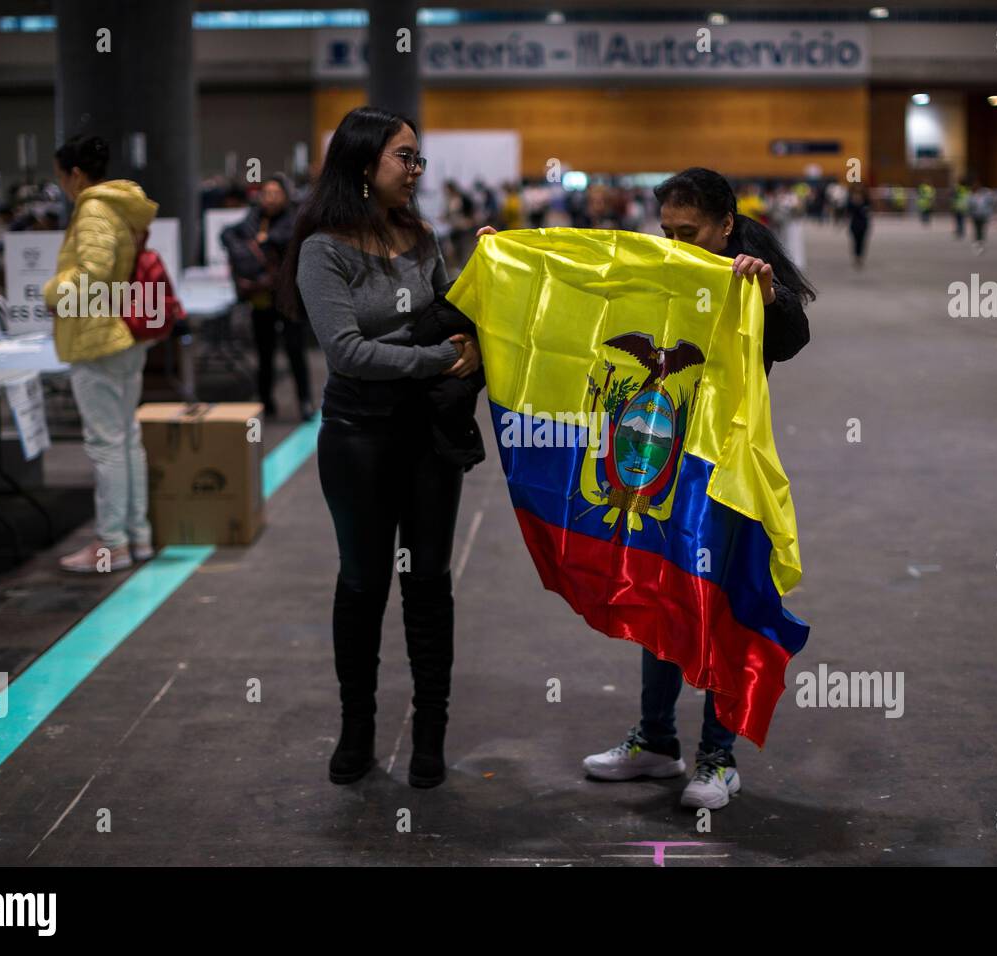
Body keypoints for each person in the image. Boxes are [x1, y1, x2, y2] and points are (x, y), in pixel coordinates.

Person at [481, 167, 813, 809]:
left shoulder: (747, 271)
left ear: (726, 225)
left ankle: (718, 756)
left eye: (691, 233)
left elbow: (793, 339)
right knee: (661, 587)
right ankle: (658, 740)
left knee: (718, 598)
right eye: (667, 231)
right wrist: (512, 262)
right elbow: (590, 288)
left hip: (722, 466)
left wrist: (765, 293)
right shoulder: (666, 265)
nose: (677, 244)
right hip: (657, 456)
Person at [280, 106, 481, 790]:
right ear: (365, 166)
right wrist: (432, 358)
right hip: (359, 437)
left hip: (430, 436)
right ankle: (357, 731)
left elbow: (452, 313)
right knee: (363, 583)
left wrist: (489, 275)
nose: (416, 170)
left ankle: (431, 736)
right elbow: (346, 353)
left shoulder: (422, 235)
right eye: (406, 157)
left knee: (429, 584)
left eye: (418, 158)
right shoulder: (321, 249)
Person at [42, 135, 158, 573]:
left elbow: (92, 274)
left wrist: (52, 291)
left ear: (74, 174)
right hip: (119, 336)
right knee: (125, 440)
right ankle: (136, 537)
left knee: (107, 445)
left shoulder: (93, 209)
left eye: (60, 176)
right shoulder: (117, 206)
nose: (60, 186)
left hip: (96, 338)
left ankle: (112, 545)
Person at [222, 174, 313, 420]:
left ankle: (304, 401)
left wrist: (266, 241)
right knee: (264, 351)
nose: (270, 198)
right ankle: (265, 402)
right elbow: (227, 235)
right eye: (266, 193)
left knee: (295, 349)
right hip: (261, 296)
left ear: (285, 196)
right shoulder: (252, 221)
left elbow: (292, 243)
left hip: (290, 297)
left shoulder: (294, 222)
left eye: (276, 193)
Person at [845, 183, 871, 268]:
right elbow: (848, 211)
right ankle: (856, 256)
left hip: (863, 223)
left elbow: (868, 210)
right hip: (854, 224)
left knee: (862, 241)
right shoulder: (850, 200)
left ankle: (859, 256)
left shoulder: (866, 199)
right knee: (855, 241)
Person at [968, 183, 995, 254]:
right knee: (977, 228)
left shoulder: (985, 196)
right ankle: (977, 241)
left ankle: (981, 240)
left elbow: (991, 203)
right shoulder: (972, 196)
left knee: (982, 228)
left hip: (983, 215)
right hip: (975, 215)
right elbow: (970, 205)